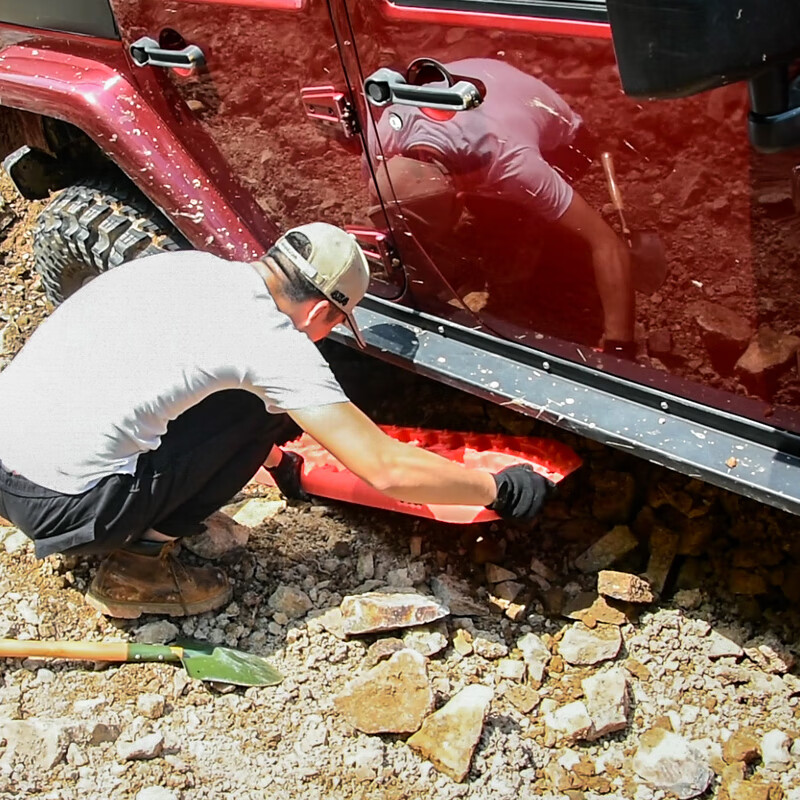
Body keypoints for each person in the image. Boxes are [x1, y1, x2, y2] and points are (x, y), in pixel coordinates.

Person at [0, 222, 554, 619]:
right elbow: (385, 468)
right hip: (65, 510)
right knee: (263, 407)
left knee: (239, 398)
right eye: (335, 325)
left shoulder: (185, 266)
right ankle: (136, 569)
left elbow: (169, 388)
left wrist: (273, 462)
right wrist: (500, 489)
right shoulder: (271, 342)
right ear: (319, 311)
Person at [367, 58, 636, 356]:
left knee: (512, 226)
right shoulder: (386, 131)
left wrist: (619, 346)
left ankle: (537, 239)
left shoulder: (514, 165)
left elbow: (607, 244)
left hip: (563, 143)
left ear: (461, 201)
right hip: (481, 80)